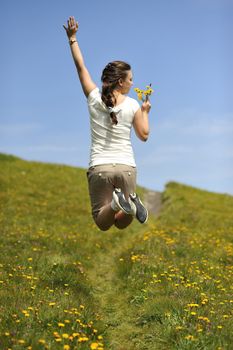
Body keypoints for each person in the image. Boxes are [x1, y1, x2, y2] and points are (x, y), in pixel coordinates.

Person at [63, 16, 152, 231]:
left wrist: (72, 38)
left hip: (100, 167)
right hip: (126, 168)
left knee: (102, 222)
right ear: (120, 81)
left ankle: (116, 203)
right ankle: (128, 202)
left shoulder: (94, 97)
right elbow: (144, 135)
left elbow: (80, 66)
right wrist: (145, 111)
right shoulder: (132, 105)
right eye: (130, 79)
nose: (132, 83)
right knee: (122, 223)